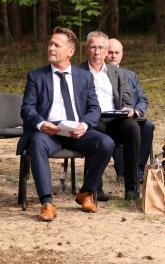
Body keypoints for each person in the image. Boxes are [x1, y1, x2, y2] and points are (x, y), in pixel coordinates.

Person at [17, 27, 114, 221]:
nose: (51, 48)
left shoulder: (84, 77)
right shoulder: (36, 76)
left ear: (70, 51)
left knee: (106, 143)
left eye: (56, 45)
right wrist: (41, 124)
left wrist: (85, 125)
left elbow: (94, 108)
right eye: (50, 44)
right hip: (48, 133)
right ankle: (47, 203)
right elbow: (27, 109)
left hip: (77, 132)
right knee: (36, 141)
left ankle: (86, 192)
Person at [78, 31, 142, 200]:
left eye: (101, 48)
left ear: (107, 51)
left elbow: (127, 97)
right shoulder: (77, 71)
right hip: (91, 120)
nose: (97, 52)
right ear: (86, 50)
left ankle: (131, 187)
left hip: (115, 119)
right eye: (93, 47)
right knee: (97, 128)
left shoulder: (117, 73)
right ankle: (95, 187)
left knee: (132, 128)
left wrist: (128, 109)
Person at [106, 38, 155, 183]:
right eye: (110, 52)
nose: (114, 56)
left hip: (131, 116)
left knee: (147, 126)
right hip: (110, 118)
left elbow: (143, 99)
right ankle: (122, 172)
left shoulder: (131, 75)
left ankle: (138, 170)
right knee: (123, 128)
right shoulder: (99, 75)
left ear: (121, 54)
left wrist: (136, 110)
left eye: (117, 52)